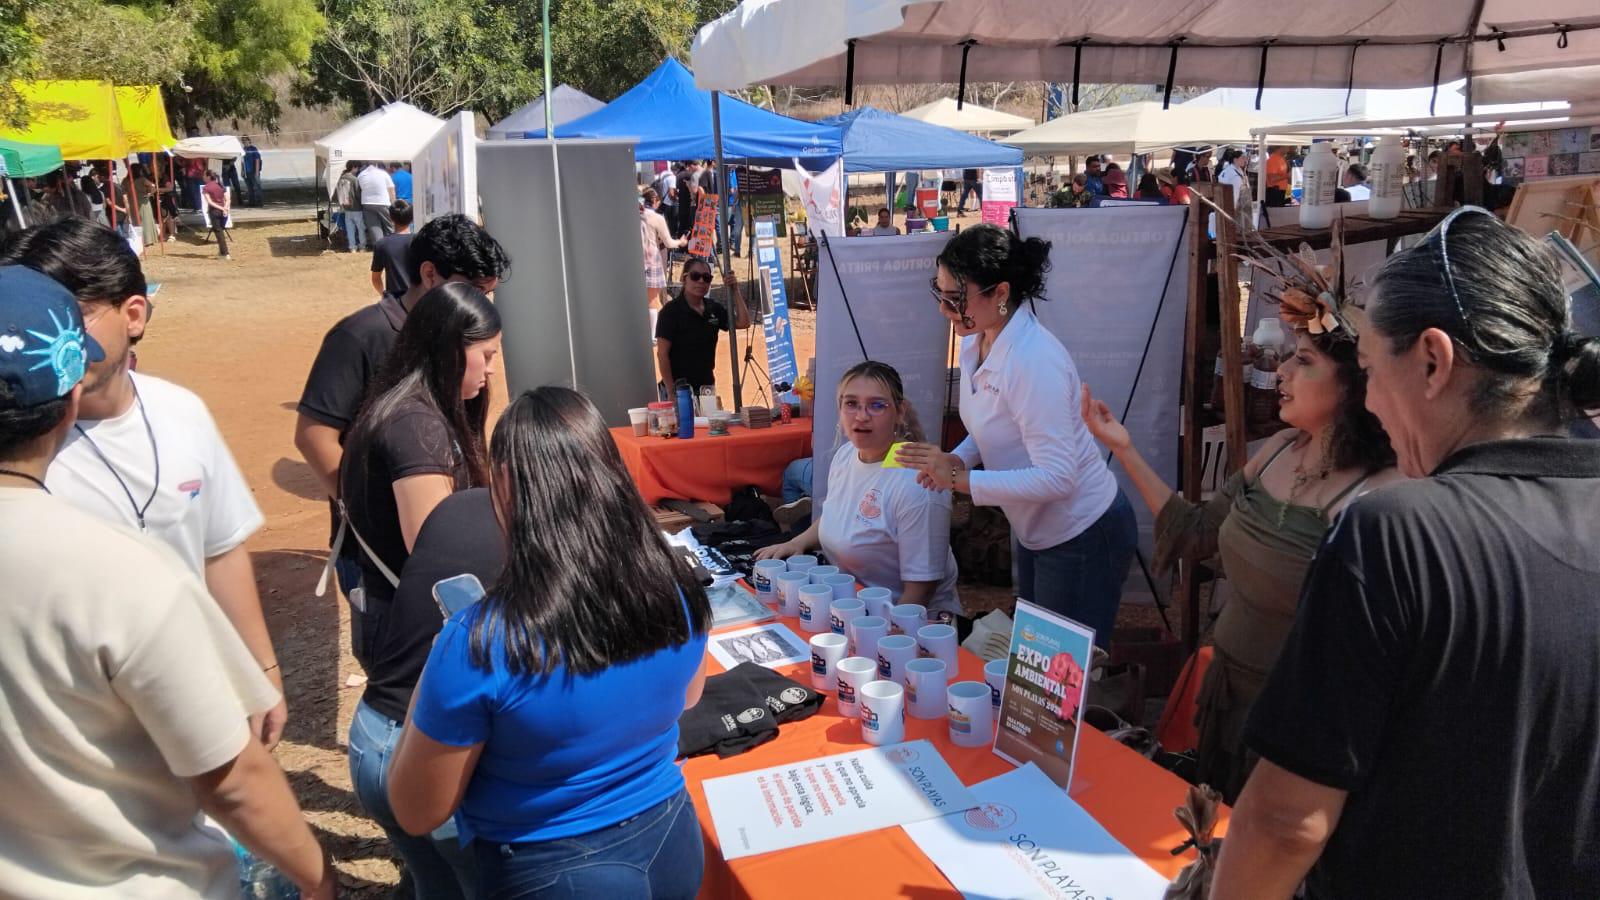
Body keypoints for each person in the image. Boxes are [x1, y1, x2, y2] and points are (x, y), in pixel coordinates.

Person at [1213, 208, 1600, 898]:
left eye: (1367, 369)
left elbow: (1284, 822)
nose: (1373, 405)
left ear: (1431, 360)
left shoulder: (1397, 533)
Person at [0, 266, 336, 900]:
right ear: (70, 398)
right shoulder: (121, 571)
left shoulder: (179, 418)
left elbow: (221, 544)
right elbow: (233, 780)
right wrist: (318, 880)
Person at [387, 385, 711, 899]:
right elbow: (688, 698)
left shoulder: (478, 642)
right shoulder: (676, 590)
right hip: (670, 838)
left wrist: (432, 673)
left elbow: (416, 808)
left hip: (550, 868)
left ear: (506, 487)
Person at [1, 218, 289, 748]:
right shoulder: (17, 452)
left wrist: (261, 669)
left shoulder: (183, 411)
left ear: (133, 314)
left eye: (71, 314)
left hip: (193, 702)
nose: (46, 335)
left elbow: (219, 548)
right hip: (76, 731)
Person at [1084, 322, 1398, 802]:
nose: (1282, 372)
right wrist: (1123, 448)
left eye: (1305, 360)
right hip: (1226, 699)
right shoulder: (1274, 452)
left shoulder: (1379, 494)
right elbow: (1196, 531)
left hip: (1293, 722)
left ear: (1357, 383)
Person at [896, 225, 1137, 648]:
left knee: (1058, 682)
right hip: (1038, 530)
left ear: (1000, 293)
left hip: (1081, 531)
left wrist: (961, 482)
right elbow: (996, 426)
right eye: (940, 294)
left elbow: (1059, 477)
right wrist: (961, 459)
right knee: (1035, 664)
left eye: (955, 298)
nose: (944, 310)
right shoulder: (978, 339)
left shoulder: (1031, 361)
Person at [335, 282, 501, 897]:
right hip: (416, 660)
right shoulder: (417, 431)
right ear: (446, 349)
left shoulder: (411, 408)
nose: (491, 371)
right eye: (484, 355)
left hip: (396, 647)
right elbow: (444, 569)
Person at [295, 215, 509, 637]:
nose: (483, 303)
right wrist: (365, 509)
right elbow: (313, 435)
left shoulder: (468, 341)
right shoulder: (362, 336)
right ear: (429, 274)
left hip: (444, 543)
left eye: (489, 294)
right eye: (473, 290)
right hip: (381, 553)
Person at [757, 361, 960, 618]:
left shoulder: (919, 483)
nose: (862, 416)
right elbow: (837, 515)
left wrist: (878, 634)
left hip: (909, 627)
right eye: (851, 404)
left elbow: (921, 591)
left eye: (877, 405)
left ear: (900, 412)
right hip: (851, 611)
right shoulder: (846, 455)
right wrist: (797, 542)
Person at [654, 255, 751, 396]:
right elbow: (662, 355)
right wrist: (671, 391)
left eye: (706, 278)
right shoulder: (670, 312)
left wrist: (735, 290)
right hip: (679, 389)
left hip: (706, 387)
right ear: (684, 278)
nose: (701, 281)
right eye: (695, 276)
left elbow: (743, 322)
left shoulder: (713, 308)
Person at [640, 187, 686, 331]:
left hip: (636, 260)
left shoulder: (634, 214)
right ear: (655, 201)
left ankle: (653, 330)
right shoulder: (656, 218)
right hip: (652, 260)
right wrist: (681, 241)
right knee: (653, 301)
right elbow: (669, 243)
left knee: (646, 301)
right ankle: (654, 334)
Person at [369, 199, 414, 299]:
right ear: (412, 219)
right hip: (417, 299)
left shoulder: (382, 244)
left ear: (391, 218)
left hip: (395, 300)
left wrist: (384, 294)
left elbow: (375, 278)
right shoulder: (420, 241)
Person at [359, 160, 397, 246]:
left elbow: (360, 189)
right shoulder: (383, 174)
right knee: (389, 226)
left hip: (367, 203)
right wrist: (393, 204)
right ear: (377, 164)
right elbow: (391, 190)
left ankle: (379, 248)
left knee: (374, 228)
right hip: (383, 202)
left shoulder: (361, 175)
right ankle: (392, 246)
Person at [336, 160, 366, 253]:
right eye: (357, 167)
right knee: (361, 228)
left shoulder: (341, 178)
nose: (357, 170)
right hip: (356, 208)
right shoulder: (354, 179)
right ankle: (362, 247)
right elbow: (358, 194)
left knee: (350, 229)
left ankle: (352, 247)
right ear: (353, 167)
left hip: (346, 208)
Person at [242, 136, 263, 206]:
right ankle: (251, 202)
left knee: (257, 187)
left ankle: (259, 202)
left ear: (249, 140)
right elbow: (242, 161)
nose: (244, 142)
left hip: (254, 171)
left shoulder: (253, 149)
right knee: (249, 188)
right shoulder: (243, 150)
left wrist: (257, 172)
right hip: (246, 172)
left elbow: (257, 160)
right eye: (243, 141)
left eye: (245, 140)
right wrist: (242, 171)